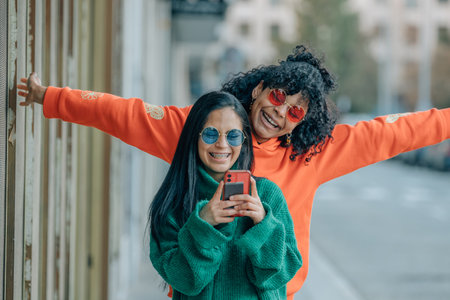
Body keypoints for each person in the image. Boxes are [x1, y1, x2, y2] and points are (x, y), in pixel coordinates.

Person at [18, 45, 450, 299]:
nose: (279, 112)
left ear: (303, 121)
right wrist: (50, 97)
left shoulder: (313, 154)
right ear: (260, 88)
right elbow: (126, 114)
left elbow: (397, 132)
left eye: (294, 111)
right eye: (277, 96)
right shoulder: (208, 130)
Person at [148, 91, 302, 299]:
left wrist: (263, 224)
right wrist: (203, 225)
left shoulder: (267, 195)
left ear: (243, 140)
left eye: (233, 136)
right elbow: (185, 281)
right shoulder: (173, 201)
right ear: (194, 136)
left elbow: (280, 274)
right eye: (211, 134)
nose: (222, 144)